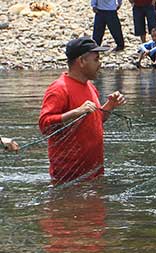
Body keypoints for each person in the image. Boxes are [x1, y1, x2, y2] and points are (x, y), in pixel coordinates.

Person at [38, 37, 127, 183]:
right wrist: (76, 112)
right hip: (68, 178)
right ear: (81, 61)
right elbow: (44, 126)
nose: (100, 64)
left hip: (94, 173)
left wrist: (110, 105)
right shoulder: (59, 89)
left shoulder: (90, 86)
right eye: (96, 59)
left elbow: (96, 120)